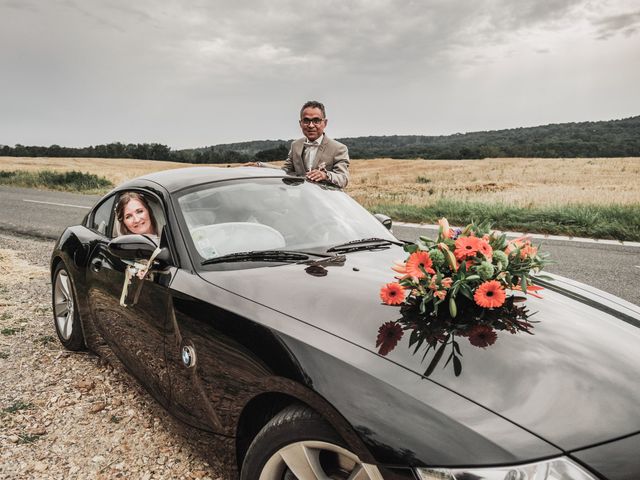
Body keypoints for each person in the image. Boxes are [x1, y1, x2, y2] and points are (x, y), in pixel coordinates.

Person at [250, 100, 350, 188]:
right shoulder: (295, 145)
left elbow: (343, 179)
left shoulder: (339, 148)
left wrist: (325, 175)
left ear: (325, 123)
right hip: (302, 203)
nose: (311, 125)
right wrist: (260, 166)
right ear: (300, 123)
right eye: (306, 120)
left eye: (316, 120)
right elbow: (285, 171)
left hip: (327, 204)